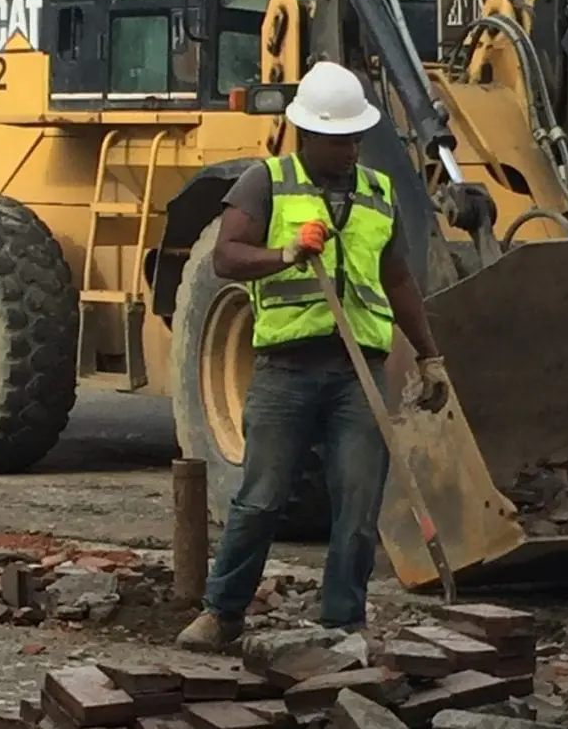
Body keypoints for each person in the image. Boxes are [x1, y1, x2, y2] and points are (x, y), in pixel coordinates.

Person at [175, 61, 450, 649]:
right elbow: (226, 257)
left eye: (356, 136)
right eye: (339, 139)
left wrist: (430, 356)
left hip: (359, 373)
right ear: (308, 134)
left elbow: (397, 279)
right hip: (287, 371)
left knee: (358, 504)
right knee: (261, 498)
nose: (351, 148)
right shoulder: (266, 182)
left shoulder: (379, 193)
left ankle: (343, 624)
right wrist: (286, 254)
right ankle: (223, 613)